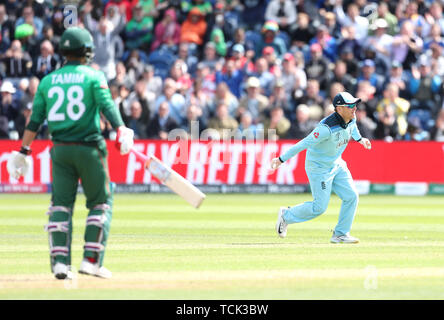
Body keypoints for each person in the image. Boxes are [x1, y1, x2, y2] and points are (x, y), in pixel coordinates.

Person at [6, 27, 134, 280]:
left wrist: (23, 150)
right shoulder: (93, 77)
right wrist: (121, 128)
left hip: (60, 150)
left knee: (60, 206)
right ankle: (91, 261)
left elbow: (34, 122)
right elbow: (107, 105)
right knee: (100, 203)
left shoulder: (47, 81)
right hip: (89, 148)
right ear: (87, 51)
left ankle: (60, 264)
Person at [270, 92, 372, 244]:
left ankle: (340, 234)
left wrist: (360, 140)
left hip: (337, 163)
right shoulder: (325, 128)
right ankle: (286, 215)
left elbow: (353, 128)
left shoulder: (351, 117)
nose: (354, 108)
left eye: (354, 105)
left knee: (351, 196)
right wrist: (280, 159)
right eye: (350, 106)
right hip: (318, 168)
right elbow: (303, 143)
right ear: (339, 108)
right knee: (319, 207)